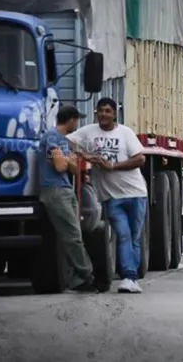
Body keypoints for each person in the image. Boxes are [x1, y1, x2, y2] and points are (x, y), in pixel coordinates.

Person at [67, 97, 147, 293]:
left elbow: (140, 159)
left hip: (136, 193)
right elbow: (65, 141)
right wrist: (85, 156)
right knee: (123, 235)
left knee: (134, 237)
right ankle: (129, 277)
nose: (103, 114)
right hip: (111, 198)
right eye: (100, 111)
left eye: (107, 111)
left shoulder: (125, 133)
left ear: (114, 114)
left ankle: (132, 279)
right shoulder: (88, 132)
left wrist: (112, 166)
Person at [38, 105, 98, 293]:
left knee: (73, 236)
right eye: (77, 120)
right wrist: (66, 161)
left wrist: (67, 161)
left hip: (66, 189)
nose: (77, 124)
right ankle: (88, 276)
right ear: (71, 119)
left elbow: (71, 168)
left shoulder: (62, 140)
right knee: (72, 236)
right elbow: (59, 166)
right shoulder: (51, 137)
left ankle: (74, 279)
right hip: (55, 191)